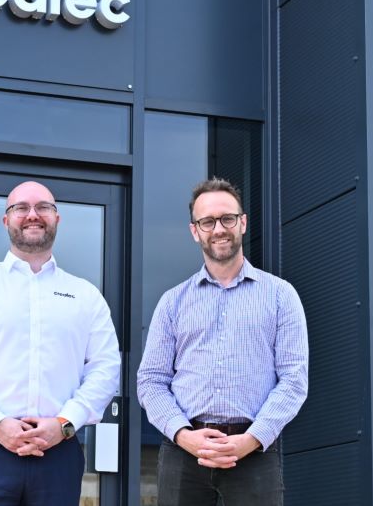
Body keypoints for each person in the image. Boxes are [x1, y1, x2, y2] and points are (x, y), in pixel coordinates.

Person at [0, 180, 121, 506]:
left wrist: (63, 425)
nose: (32, 215)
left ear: (57, 218)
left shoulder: (85, 296)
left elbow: (106, 369)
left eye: (43, 207)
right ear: (6, 220)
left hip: (58, 454)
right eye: (21, 208)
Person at [137, 178, 309, 506]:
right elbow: (151, 382)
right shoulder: (172, 302)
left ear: (242, 222)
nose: (219, 229)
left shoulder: (280, 296)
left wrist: (252, 439)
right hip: (183, 454)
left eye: (227, 218)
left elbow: (293, 380)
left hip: (254, 453)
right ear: (194, 230)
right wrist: (184, 436)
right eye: (207, 221)